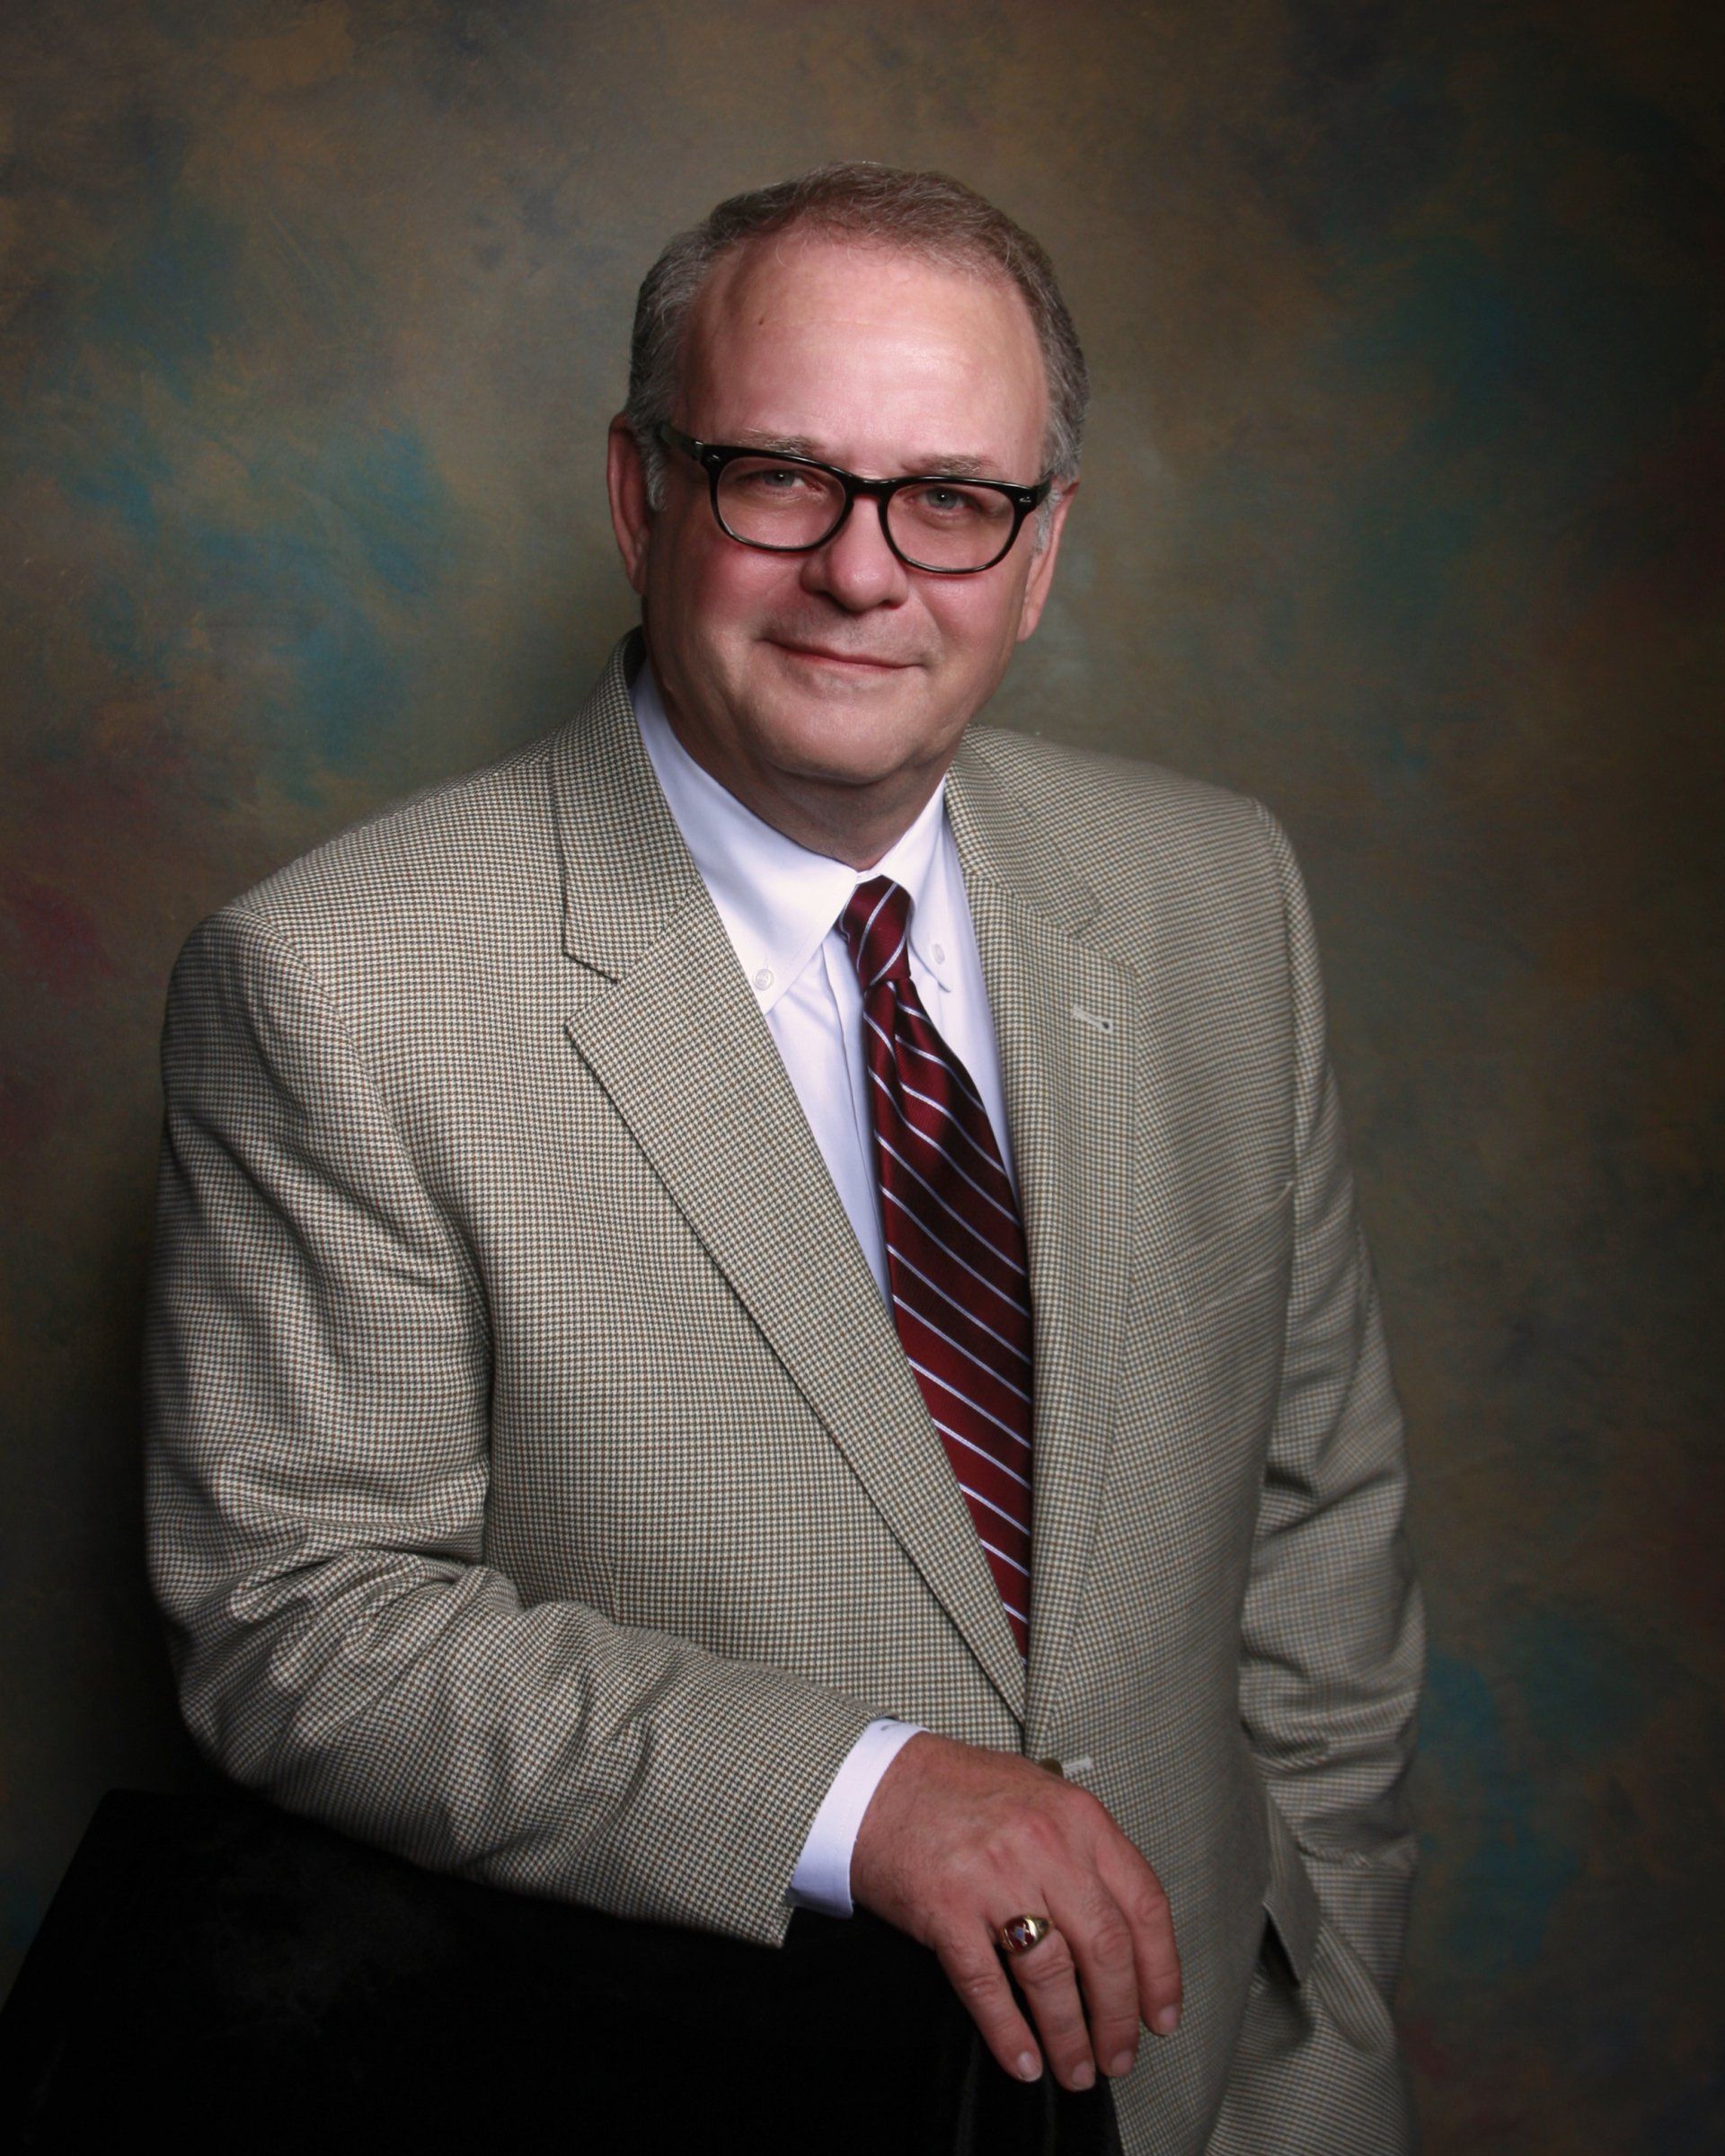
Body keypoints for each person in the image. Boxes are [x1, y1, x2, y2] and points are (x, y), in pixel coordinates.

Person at [146, 163, 1423, 2154]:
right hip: (716, 2094)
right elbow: (300, 1620)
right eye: (779, 478)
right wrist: (868, 1796)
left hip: (1225, 2100)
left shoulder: (1212, 893)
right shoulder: (338, 985)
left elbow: (1317, 1518)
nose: (863, 571)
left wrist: (1324, 2007)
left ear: (1044, 544)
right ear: (639, 494)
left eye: (952, 498)